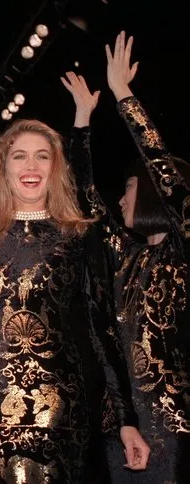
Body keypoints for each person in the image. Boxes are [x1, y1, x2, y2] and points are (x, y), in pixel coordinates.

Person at [0, 91, 151, 481]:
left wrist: (126, 419)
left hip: (62, 408)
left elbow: (101, 328)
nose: (31, 164)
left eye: (43, 155)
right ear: (3, 167)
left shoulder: (77, 236)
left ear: (56, 168)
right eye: (19, 155)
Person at [63, 30, 189, 483]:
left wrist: (124, 97)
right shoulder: (129, 258)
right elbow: (85, 196)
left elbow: (161, 166)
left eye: (131, 189)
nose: (121, 200)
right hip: (122, 425)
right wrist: (81, 123)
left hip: (175, 425)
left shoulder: (181, 252)